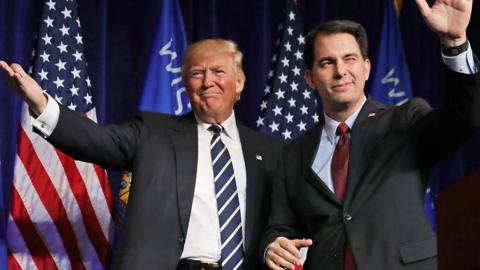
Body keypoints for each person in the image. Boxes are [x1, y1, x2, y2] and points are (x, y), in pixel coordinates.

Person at [1, 39, 282, 270]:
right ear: (186, 85)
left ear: (240, 81)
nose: (208, 81)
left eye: (218, 72)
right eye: (197, 73)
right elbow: (96, 140)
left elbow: (281, 221)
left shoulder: (270, 152)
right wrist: (41, 103)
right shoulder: (152, 132)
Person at [262, 0, 479, 269]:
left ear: (366, 68)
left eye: (349, 59)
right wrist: (273, 246)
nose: (340, 71)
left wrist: (455, 42)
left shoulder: (405, 120)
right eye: (327, 62)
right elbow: (280, 228)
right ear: (309, 78)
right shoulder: (292, 152)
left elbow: (463, 118)